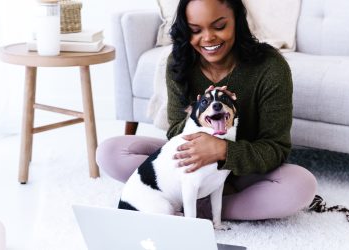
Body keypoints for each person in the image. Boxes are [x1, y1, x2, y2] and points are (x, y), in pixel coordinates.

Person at [96, 0, 317, 220]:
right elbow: (175, 132)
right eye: (195, 30)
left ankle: (206, 207)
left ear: (237, 22)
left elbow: (276, 148)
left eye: (219, 26)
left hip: (246, 166)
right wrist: (198, 122)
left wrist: (223, 151)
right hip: (192, 166)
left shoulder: (270, 66)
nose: (208, 38)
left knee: (301, 185)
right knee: (111, 152)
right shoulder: (179, 61)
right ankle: (198, 198)